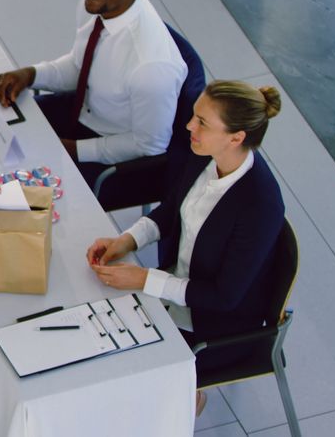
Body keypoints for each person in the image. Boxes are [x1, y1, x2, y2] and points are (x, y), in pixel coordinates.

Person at [84, 80, 285, 417]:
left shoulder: (259, 204)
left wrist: (144, 279)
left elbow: (224, 297)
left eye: (202, 123)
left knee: (113, 368)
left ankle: (186, 399)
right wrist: (127, 240)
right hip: (174, 288)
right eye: (194, 117)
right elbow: (170, 210)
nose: (190, 126)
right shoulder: (202, 155)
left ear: (236, 138)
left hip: (217, 324)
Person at [0, 0, 187, 187]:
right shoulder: (98, 5)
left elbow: (149, 144)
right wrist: (30, 75)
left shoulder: (150, 68)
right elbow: (79, 66)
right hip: (84, 109)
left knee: (18, 189)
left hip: (116, 154)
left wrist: (73, 150)